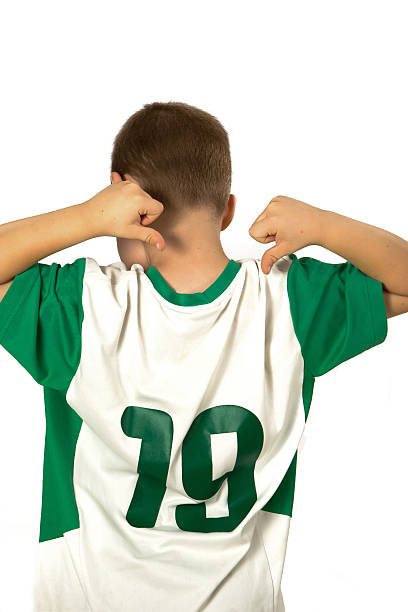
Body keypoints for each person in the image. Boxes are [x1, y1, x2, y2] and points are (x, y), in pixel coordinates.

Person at [0, 101, 407, 612]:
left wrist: (85, 218)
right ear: (228, 209)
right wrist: (325, 226)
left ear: (121, 193)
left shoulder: (82, 309)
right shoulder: (289, 305)